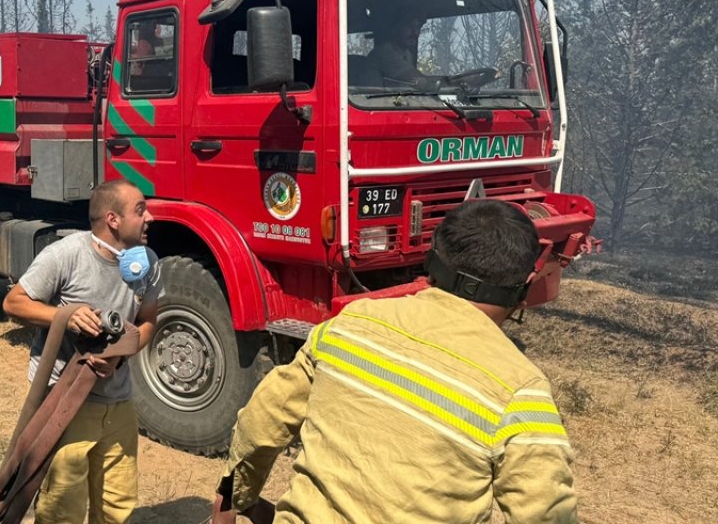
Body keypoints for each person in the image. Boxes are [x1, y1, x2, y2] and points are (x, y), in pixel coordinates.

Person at [213, 199, 579, 524]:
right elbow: (546, 512)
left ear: (432, 259)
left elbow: (262, 420)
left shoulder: (349, 325)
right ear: (527, 285)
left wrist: (232, 500)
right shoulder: (520, 390)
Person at [2, 179, 164, 524]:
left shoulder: (146, 262)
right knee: (63, 508)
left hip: (118, 402)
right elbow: (13, 302)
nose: (150, 217)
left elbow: (149, 320)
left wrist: (121, 355)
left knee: (117, 504)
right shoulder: (66, 255)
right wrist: (66, 315)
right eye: (140, 210)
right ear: (113, 219)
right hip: (65, 401)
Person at [367, 13, 429, 87]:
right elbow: (414, 77)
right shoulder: (384, 53)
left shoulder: (407, 54)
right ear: (396, 28)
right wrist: (445, 82)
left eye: (418, 27)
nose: (415, 32)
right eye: (409, 26)